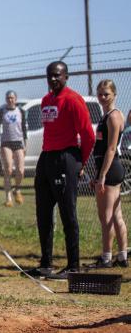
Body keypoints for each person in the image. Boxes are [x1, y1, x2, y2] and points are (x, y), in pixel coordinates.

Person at [26, 61, 96, 280]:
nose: (53, 79)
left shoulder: (74, 100)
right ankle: (46, 263)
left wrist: (80, 163)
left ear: (66, 76)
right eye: (50, 76)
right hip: (47, 157)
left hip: (66, 158)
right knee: (43, 212)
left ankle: (73, 265)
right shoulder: (47, 100)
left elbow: (88, 135)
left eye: (57, 75)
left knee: (68, 213)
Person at [85, 80, 128, 268]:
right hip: (106, 167)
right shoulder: (106, 116)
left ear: (114, 95)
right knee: (115, 214)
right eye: (100, 94)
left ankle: (107, 257)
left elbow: (111, 148)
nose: (102, 98)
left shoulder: (113, 116)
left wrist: (102, 175)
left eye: (106, 94)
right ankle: (122, 256)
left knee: (106, 216)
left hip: (111, 168)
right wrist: (97, 173)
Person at [0, 90, 27, 207]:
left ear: (16, 99)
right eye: (8, 98)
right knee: (8, 170)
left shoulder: (21, 111)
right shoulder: (2, 112)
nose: (10, 100)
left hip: (18, 142)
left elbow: (24, 129)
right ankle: (8, 197)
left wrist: (25, 144)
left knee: (20, 170)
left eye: (12, 98)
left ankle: (17, 189)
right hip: (6, 142)